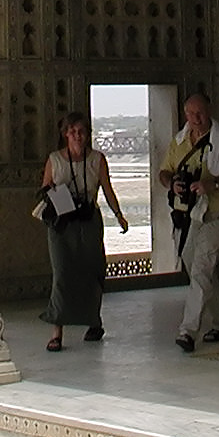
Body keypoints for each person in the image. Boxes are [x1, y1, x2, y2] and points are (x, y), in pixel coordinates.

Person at [158, 92, 219, 352]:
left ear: (209, 111)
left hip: (213, 214)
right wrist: (173, 183)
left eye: (200, 113)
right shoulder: (180, 140)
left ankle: (187, 331)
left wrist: (212, 184)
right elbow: (164, 172)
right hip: (186, 216)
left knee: (201, 271)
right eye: (191, 114)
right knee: (201, 271)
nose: (196, 119)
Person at [39, 111, 128, 351]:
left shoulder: (96, 159)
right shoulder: (55, 160)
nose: (77, 136)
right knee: (62, 273)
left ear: (87, 134)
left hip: (88, 219)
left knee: (93, 270)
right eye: (73, 132)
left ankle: (93, 321)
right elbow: (44, 189)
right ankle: (57, 331)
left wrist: (118, 214)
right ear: (66, 134)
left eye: (81, 132)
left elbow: (107, 189)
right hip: (63, 222)